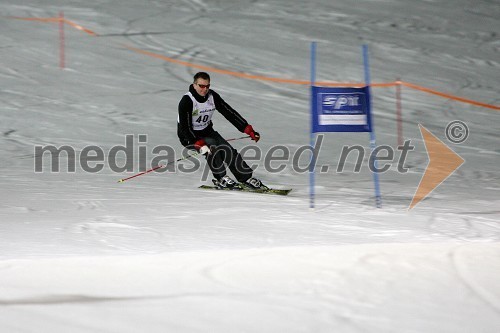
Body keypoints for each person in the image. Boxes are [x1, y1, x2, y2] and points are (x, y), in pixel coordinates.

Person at [177, 72, 265, 189]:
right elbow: (185, 127)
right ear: (194, 85)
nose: (204, 89)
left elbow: (229, 112)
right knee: (212, 146)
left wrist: (247, 129)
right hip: (189, 136)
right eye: (201, 86)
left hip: (207, 131)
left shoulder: (212, 96)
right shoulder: (187, 101)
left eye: (207, 86)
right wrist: (198, 143)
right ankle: (221, 178)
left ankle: (245, 178)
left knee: (227, 149)